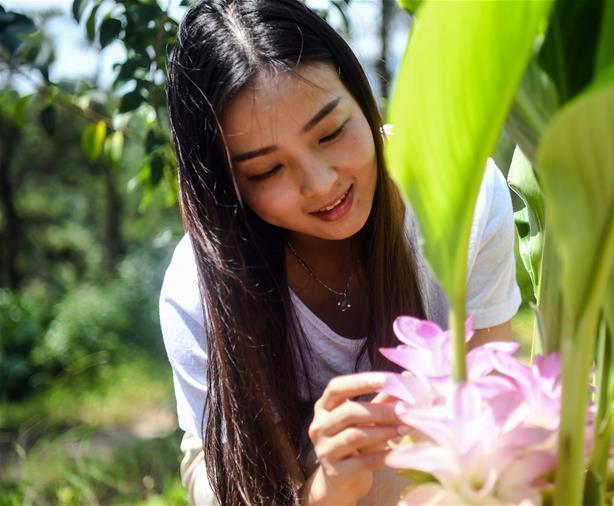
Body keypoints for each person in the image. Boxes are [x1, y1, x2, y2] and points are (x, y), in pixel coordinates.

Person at [158, 1, 521, 504]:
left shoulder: (464, 193)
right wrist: (328, 488)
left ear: (362, 96)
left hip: (433, 445)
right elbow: (235, 478)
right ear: (228, 187)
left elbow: (495, 397)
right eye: (266, 171)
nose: (322, 184)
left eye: (331, 133)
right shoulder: (197, 287)